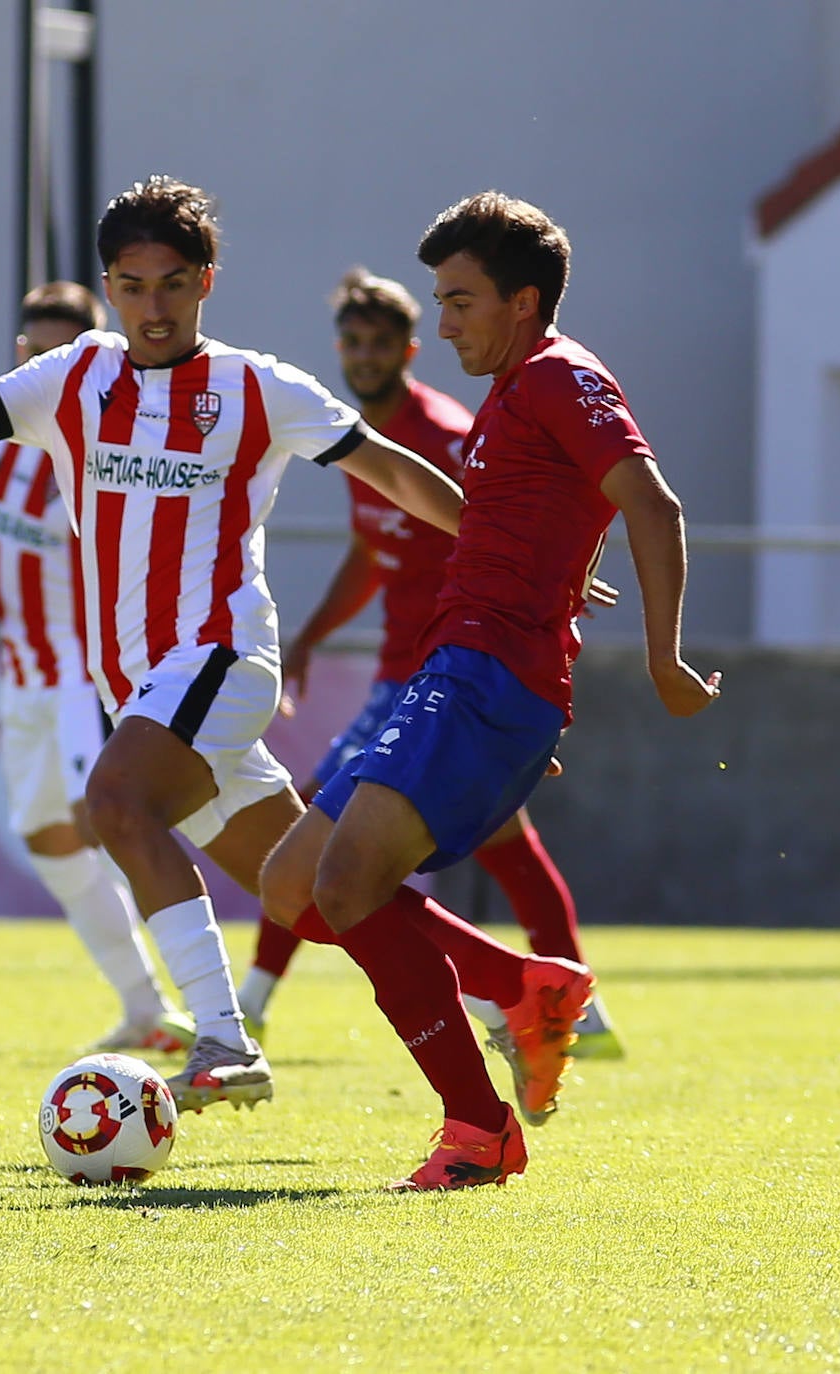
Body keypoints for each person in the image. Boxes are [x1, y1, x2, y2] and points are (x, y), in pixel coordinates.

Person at [0, 175, 468, 1117]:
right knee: (313, 894)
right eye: (131, 285)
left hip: (219, 655)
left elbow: (395, 473)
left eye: (171, 283)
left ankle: (220, 1037)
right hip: (140, 686)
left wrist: (505, 544)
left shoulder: (257, 385)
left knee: (118, 802)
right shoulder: (73, 376)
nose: (151, 305)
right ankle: (516, 988)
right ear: (109, 286)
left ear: (206, 281)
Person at [259, 191, 721, 1191]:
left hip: (485, 677)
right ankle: (525, 986)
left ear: (522, 302)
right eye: (440, 296)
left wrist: (660, 659)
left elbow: (653, 502)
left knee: (345, 888)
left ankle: (477, 1130)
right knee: (293, 890)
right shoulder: (515, 390)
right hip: (458, 674)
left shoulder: (559, 377)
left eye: (460, 300)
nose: (447, 318)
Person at [237, 266, 623, 1058]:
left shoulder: (445, 434)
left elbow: (515, 528)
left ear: (408, 349)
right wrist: (310, 636)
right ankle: (575, 1010)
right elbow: (373, 553)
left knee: (314, 836)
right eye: (352, 342)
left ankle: (247, 1011)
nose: (364, 357)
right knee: (501, 844)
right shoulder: (357, 434)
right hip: (426, 672)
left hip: (451, 671)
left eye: (380, 344)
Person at [0, 281, 194, 1056]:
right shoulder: (6, 436)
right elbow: (7, 529)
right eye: (34, 347)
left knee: (113, 826)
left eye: (62, 349)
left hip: (77, 680)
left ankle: (211, 1011)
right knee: (46, 839)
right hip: (22, 674)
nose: (42, 360)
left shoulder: (93, 448)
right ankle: (148, 1008)